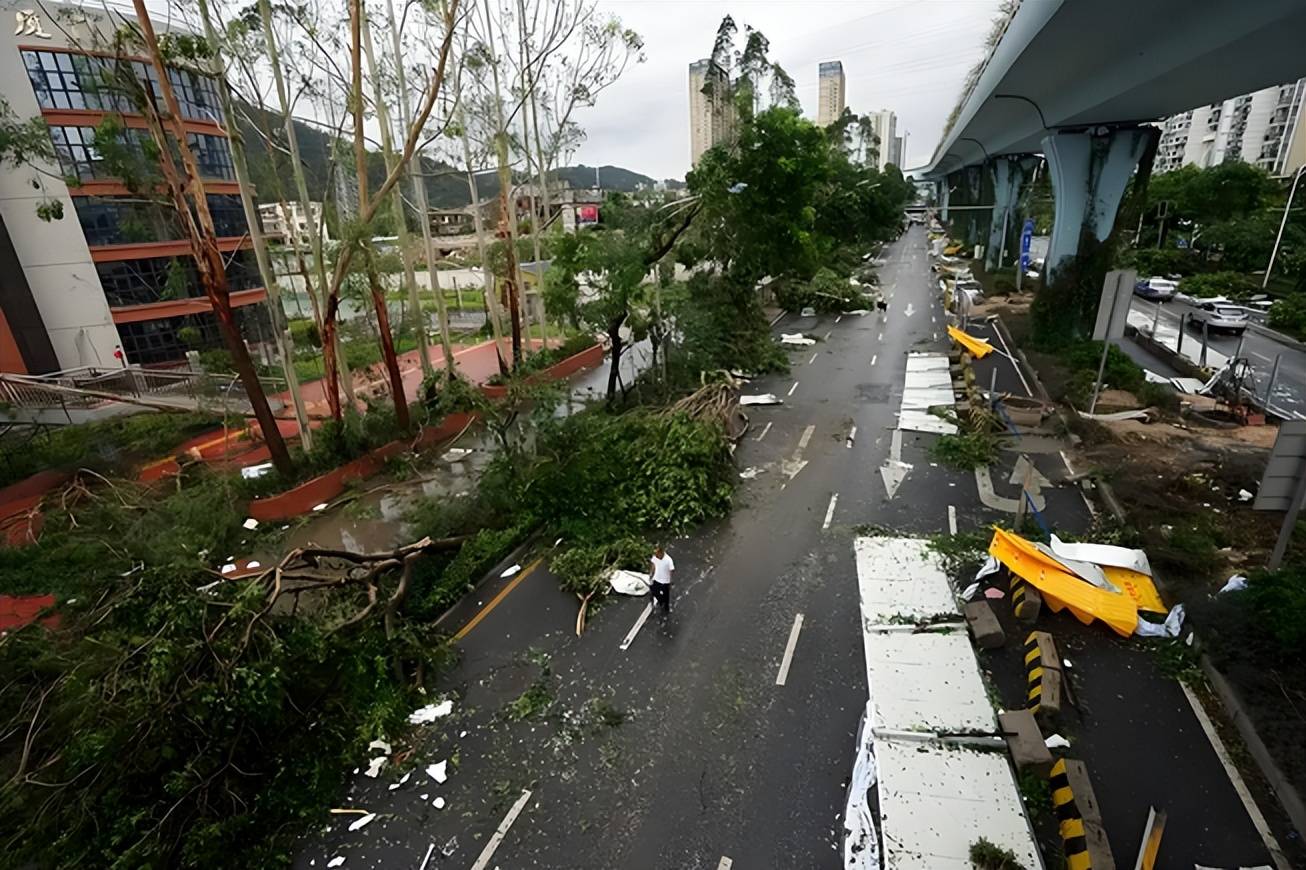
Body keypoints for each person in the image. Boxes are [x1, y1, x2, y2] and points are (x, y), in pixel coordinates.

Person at [649, 545, 675, 614]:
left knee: (666, 596)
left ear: (661, 552)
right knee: (654, 590)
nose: (656, 556)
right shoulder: (655, 557)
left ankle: (666, 608)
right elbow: (653, 565)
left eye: (657, 554)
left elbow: (671, 571)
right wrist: (651, 573)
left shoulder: (668, 560)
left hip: (665, 581)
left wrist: (670, 581)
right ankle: (661, 602)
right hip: (657, 578)